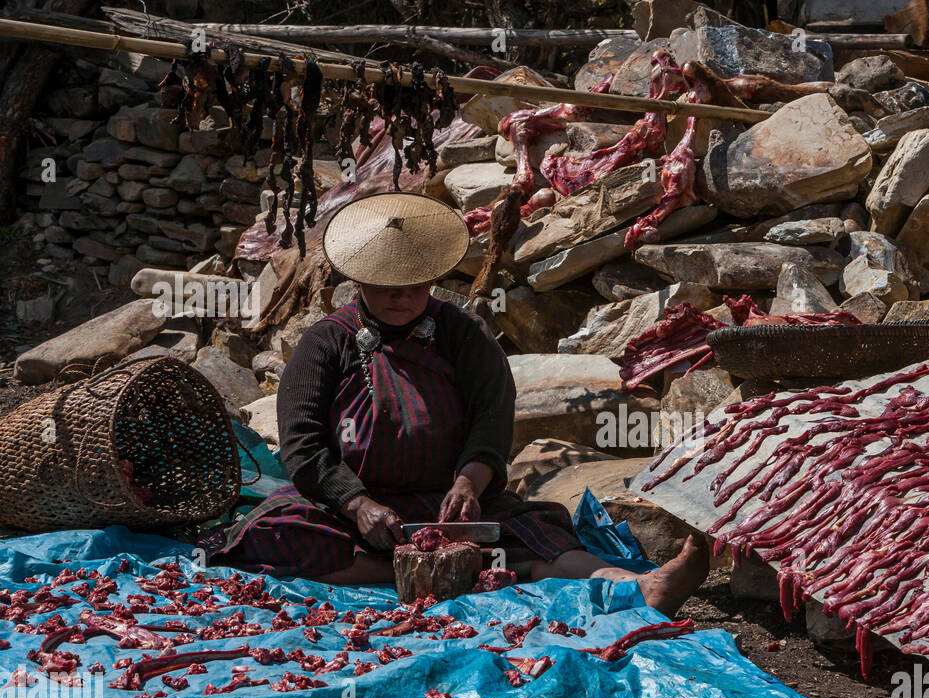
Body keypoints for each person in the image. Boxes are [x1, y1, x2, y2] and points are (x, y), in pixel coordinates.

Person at [214, 192, 707, 615]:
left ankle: (636, 588)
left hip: (450, 506)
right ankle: (415, 573)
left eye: (415, 288)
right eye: (388, 290)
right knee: (274, 531)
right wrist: (356, 503)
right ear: (360, 281)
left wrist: (470, 483)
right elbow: (302, 443)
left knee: (540, 530)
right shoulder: (326, 342)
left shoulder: (461, 332)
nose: (403, 299)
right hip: (355, 510)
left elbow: (493, 417)